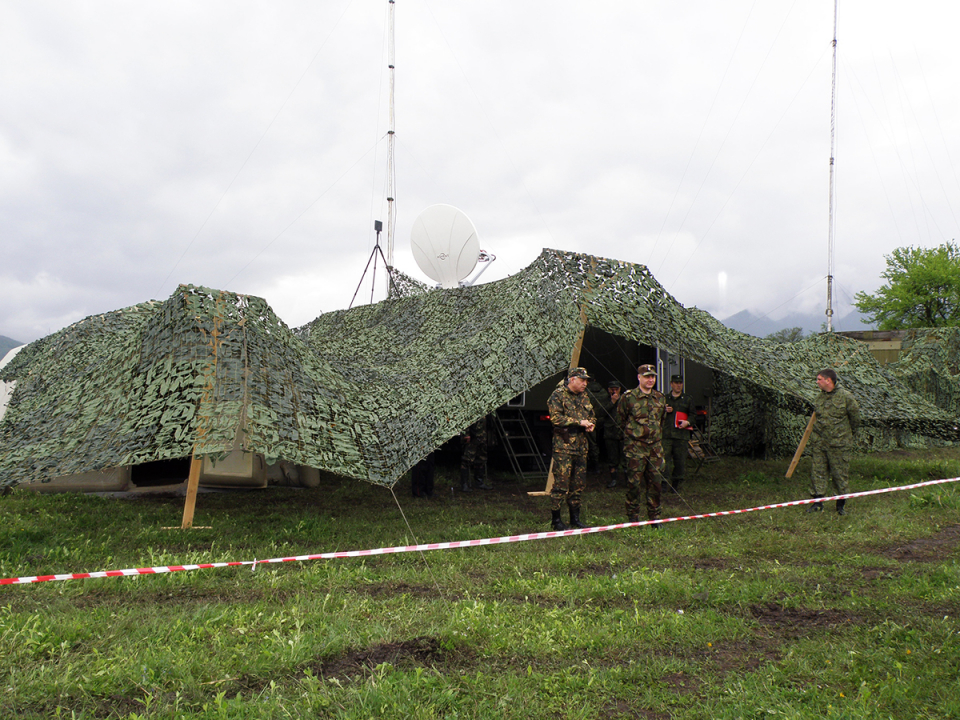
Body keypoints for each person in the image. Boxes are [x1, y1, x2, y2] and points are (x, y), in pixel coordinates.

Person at [546, 367, 597, 530]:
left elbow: (592, 415)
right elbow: (556, 418)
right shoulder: (557, 395)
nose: (585, 383)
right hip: (564, 447)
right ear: (572, 379)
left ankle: (575, 518)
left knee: (578, 484)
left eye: (586, 380)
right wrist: (578, 422)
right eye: (582, 380)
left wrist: (591, 424)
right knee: (561, 483)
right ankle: (556, 520)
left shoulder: (584, 396)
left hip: (581, 446)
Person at [617, 364, 666, 526]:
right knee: (634, 484)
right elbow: (621, 420)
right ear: (639, 377)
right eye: (647, 376)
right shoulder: (628, 397)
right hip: (635, 448)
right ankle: (633, 517)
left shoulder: (660, 397)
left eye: (653, 376)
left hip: (655, 448)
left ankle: (654, 517)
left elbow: (662, 420)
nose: (650, 379)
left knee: (656, 483)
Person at [808, 368, 860, 515]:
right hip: (820, 443)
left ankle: (840, 506)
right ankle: (817, 503)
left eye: (819, 379)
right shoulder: (819, 398)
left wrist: (846, 436)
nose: (817, 382)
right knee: (817, 472)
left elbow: (855, 419)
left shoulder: (846, 397)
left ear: (828, 380)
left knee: (839, 474)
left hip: (839, 444)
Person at [661, 374, 693, 493]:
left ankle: (676, 484)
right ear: (671, 384)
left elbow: (693, 414)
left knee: (680, 460)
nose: (678, 385)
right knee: (665, 460)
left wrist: (688, 422)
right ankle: (664, 483)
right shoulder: (665, 398)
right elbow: (657, 414)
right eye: (676, 383)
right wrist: (664, 410)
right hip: (667, 435)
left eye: (680, 383)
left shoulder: (687, 399)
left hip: (681, 435)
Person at [597, 380, 624, 488]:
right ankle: (613, 479)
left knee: (626, 457)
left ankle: (628, 480)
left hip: (622, 432)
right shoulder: (605, 400)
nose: (614, 391)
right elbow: (600, 413)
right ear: (608, 390)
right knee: (612, 458)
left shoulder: (624, 399)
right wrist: (612, 402)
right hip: (610, 433)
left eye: (616, 389)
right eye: (612, 389)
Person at [460, 415, 493, 492]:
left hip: (482, 437)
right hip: (473, 437)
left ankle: (479, 482)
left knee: (481, 459)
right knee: (467, 459)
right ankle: (464, 484)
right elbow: (466, 419)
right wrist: (466, 434)